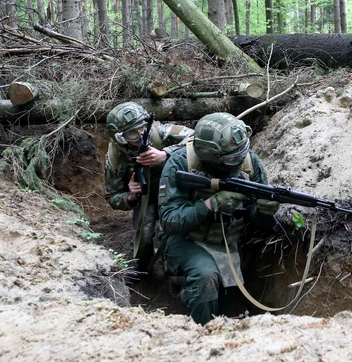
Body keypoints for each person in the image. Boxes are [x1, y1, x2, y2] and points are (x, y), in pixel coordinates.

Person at [157, 112, 279, 325]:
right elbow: (169, 220)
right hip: (187, 239)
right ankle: (199, 337)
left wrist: (264, 212)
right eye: (232, 157)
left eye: (243, 150)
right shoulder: (181, 163)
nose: (240, 158)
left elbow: (256, 219)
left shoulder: (249, 163)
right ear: (211, 155)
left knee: (230, 307)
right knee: (206, 278)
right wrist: (211, 204)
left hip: (227, 242)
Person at [104, 102, 194, 280]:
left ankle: (178, 266)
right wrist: (130, 195)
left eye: (142, 128)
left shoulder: (161, 132)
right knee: (144, 235)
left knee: (175, 229)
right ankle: (143, 267)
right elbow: (112, 196)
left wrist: (166, 154)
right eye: (132, 133)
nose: (140, 135)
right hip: (147, 199)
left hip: (177, 193)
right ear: (120, 137)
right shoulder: (115, 158)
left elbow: (197, 139)